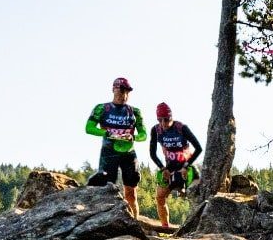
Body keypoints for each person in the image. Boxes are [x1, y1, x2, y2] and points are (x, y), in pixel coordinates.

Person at [85, 76, 146, 218]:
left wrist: (134, 137)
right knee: (106, 189)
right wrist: (106, 132)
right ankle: (102, 219)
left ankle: (135, 222)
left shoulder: (134, 111)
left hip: (129, 153)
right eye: (120, 91)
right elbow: (88, 128)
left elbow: (144, 134)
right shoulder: (102, 108)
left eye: (127, 92)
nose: (123, 95)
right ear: (113, 89)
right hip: (109, 153)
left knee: (131, 191)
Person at [149, 102, 202, 228]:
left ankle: (195, 227)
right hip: (169, 168)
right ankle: (165, 226)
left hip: (186, 167)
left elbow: (198, 148)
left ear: (171, 117)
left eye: (166, 119)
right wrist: (163, 168)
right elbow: (152, 153)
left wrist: (186, 166)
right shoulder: (155, 130)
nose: (163, 123)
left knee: (197, 196)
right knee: (160, 196)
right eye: (160, 120)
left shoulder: (181, 128)